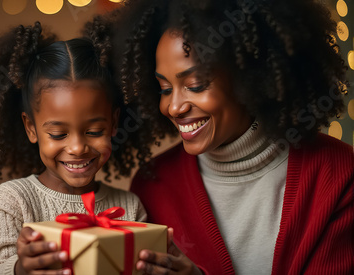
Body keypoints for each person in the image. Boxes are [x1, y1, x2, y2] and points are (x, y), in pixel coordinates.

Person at [85, 0, 354, 274]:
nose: (174, 107)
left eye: (195, 85)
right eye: (164, 88)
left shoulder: (338, 174)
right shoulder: (152, 187)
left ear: (249, 75)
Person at [0, 22, 148, 275]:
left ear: (114, 124)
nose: (78, 148)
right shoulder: (14, 201)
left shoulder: (129, 207)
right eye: (58, 134)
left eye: (94, 132)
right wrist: (20, 269)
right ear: (31, 128)